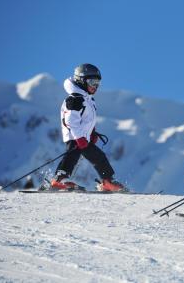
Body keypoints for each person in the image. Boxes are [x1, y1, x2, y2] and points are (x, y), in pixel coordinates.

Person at [49, 63, 126, 191]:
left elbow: (87, 120)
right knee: (72, 155)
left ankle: (108, 181)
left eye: (97, 83)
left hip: (83, 137)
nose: (95, 86)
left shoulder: (87, 99)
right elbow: (70, 121)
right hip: (75, 136)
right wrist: (79, 138)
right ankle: (60, 179)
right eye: (92, 82)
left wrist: (92, 133)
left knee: (99, 157)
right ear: (81, 80)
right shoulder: (75, 99)